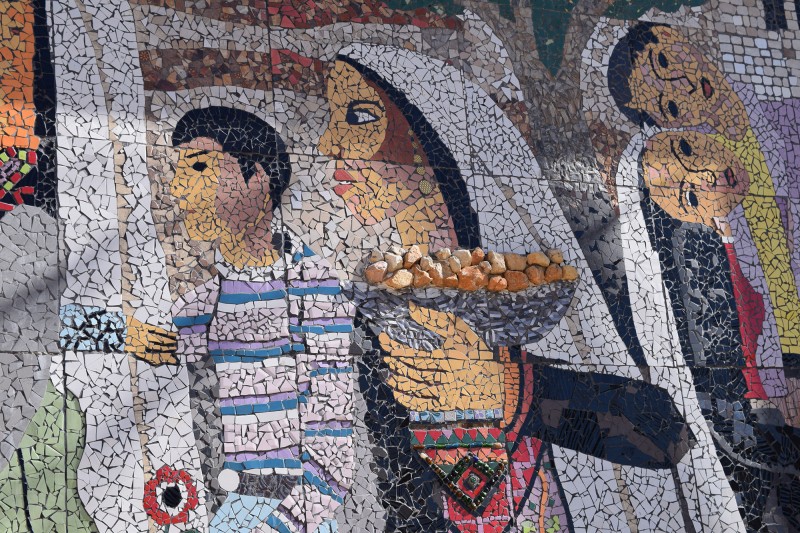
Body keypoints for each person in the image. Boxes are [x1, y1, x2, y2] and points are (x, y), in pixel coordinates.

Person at [315, 49, 695, 533]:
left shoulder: (531, 288)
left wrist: (510, 390)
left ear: (429, 132)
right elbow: (399, 490)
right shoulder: (376, 311)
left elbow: (664, 434)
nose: (329, 143)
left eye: (360, 116)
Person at [169, 106, 354, 533]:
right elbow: (156, 343)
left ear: (258, 177)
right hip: (229, 499)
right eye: (179, 173)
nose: (179, 190)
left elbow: (331, 444)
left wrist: (278, 524)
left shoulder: (317, 287)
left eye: (198, 168)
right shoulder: (206, 300)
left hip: (287, 506)